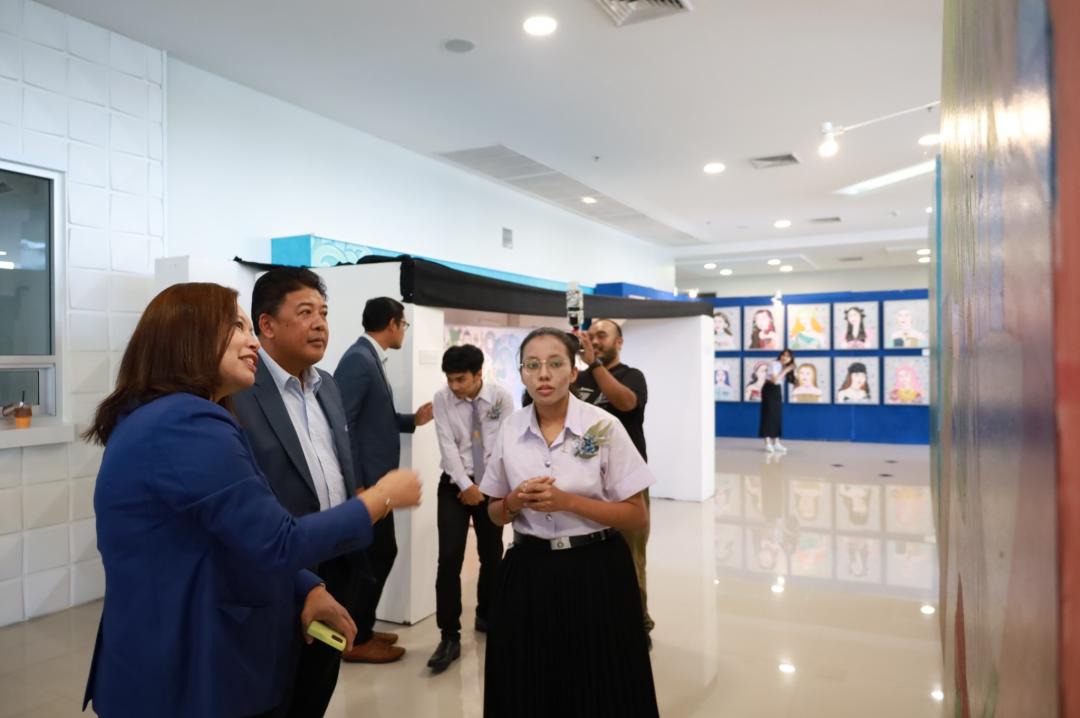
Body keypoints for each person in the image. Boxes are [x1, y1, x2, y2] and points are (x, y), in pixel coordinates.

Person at [82, 283, 421, 718]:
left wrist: (305, 587)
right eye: (237, 326)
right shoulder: (187, 423)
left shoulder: (166, 416)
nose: (253, 341)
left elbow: (231, 532)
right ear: (189, 337)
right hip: (184, 670)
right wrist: (381, 498)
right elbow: (279, 540)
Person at [480, 328, 659, 718]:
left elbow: (636, 514)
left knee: (597, 682)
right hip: (529, 570)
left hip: (596, 570)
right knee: (530, 681)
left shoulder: (604, 426)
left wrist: (569, 502)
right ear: (522, 373)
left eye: (555, 363)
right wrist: (513, 501)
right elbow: (493, 512)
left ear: (574, 371)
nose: (543, 374)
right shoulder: (510, 429)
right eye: (532, 365)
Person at [231, 268, 371, 713]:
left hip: (339, 565)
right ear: (267, 325)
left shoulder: (327, 384)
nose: (320, 324)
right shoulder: (239, 390)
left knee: (316, 689)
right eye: (306, 312)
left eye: (324, 313)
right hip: (279, 572)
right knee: (276, 693)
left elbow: (339, 462)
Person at [334, 297, 434, 663]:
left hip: (377, 484)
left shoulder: (369, 357)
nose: (404, 331)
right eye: (403, 324)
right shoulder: (359, 360)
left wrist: (413, 420)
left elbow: (375, 418)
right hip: (368, 486)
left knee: (378, 554)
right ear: (392, 323)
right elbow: (342, 424)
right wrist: (358, 485)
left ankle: (362, 626)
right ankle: (357, 638)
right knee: (374, 556)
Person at [427, 344, 513, 673]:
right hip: (455, 485)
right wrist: (466, 486)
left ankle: (486, 614)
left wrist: (485, 487)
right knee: (449, 558)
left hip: (491, 484)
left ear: (479, 374)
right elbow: (447, 446)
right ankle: (449, 635)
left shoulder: (501, 398)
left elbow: (504, 445)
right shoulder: (442, 399)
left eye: (460, 379)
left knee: (492, 555)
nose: (454, 386)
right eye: (449, 379)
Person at [572, 319, 654, 645]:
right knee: (588, 558)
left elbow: (625, 403)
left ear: (619, 342)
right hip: (584, 481)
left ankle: (638, 620)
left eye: (602, 336)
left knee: (631, 557)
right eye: (590, 336)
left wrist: (593, 364)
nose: (595, 341)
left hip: (626, 482)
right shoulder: (576, 380)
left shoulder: (632, 376)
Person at [760, 349, 796, 452]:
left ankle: (776, 443)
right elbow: (775, 381)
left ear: (791, 359)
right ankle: (767, 443)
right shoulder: (774, 364)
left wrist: (791, 372)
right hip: (769, 388)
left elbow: (788, 381)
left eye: (788, 356)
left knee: (777, 416)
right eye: (783, 355)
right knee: (768, 415)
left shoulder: (785, 366)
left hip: (777, 390)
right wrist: (786, 370)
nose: (785, 357)